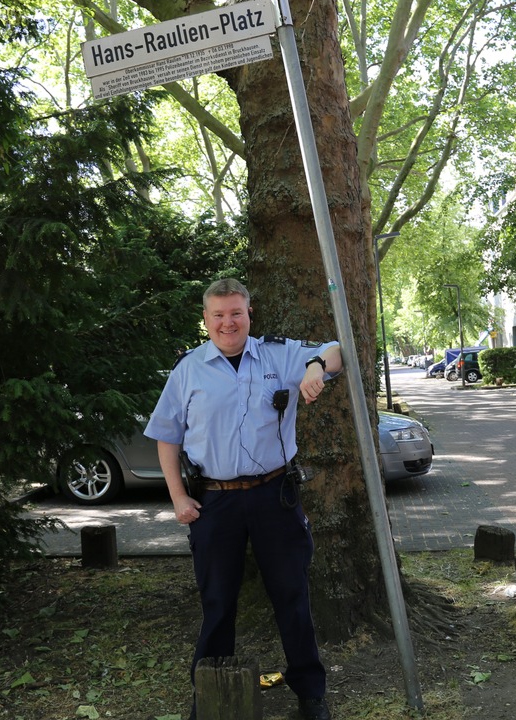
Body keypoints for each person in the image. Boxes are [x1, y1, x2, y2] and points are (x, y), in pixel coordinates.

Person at [144, 278, 343, 720]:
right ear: (206, 319)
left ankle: (311, 695)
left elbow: (336, 350)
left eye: (236, 313)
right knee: (217, 601)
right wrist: (178, 497)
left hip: (276, 496)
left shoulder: (278, 354)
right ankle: (209, 698)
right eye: (218, 315)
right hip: (214, 502)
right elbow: (166, 438)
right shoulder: (189, 369)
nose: (227, 322)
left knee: (293, 596)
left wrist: (314, 367)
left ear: (249, 315)